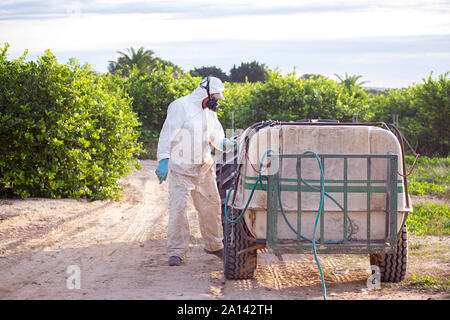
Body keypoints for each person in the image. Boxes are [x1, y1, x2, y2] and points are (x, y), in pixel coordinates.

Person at [155, 76, 237, 266]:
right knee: (178, 210)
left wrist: (225, 144)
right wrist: (164, 159)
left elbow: (216, 134)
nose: (216, 100)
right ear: (205, 92)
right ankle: (177, 251)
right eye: (214, 96)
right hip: (181, 168)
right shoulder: (180, 106)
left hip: (204, 167)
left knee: (212, 206)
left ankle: (214, 245)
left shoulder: (209, 112)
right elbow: (168, 133)